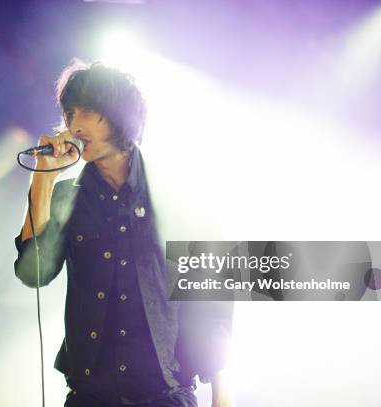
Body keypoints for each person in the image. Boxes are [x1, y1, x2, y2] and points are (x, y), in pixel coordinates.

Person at [14, 60, 233, 407]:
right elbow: (33, 272)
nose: (75, 124)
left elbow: (213, 302)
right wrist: (43, 179)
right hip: (89, 396)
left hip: (164, 393)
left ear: (120, 116)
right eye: (70, 113)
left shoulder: (179, 196)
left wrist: (222, 397)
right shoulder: (67, 197)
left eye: (88, 111)